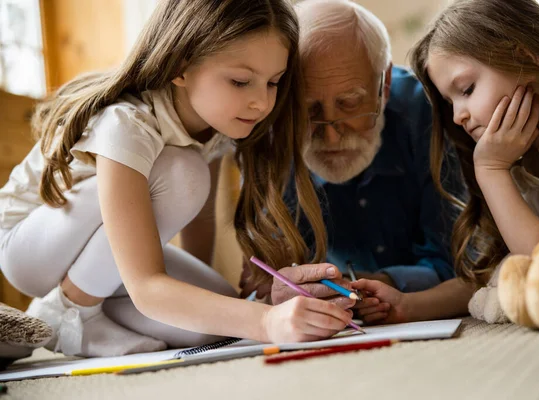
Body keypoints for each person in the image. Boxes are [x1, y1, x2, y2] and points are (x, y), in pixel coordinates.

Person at [0, 0, 353, 357]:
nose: (261, 103)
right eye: (240, 81)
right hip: (29, 253)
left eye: (273, 82)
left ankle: (88, 309)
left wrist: (223, 303)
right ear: (181, 66)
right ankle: (69, 311)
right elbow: (147, 283)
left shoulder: (214, 124)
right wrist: (265, 322)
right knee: (183, 174)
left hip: (98, 255)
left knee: (216, 320)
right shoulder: (126, 124)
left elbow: (197, 218)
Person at [353, 0, 539, 324]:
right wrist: (405, 306)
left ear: (524, 56)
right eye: (449, 102)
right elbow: (492, 268)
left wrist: (491, 171)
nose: (458, 116)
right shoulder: (516, 156)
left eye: (467, 89)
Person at [240, 0, 469, 323]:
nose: (331, 137)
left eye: (350, 104)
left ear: (385, 84)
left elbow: (461, 263)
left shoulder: (431, 115)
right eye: (310, 110)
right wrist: (283, 287)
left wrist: (385, 283)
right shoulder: (269, 132)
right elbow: (269, 276)